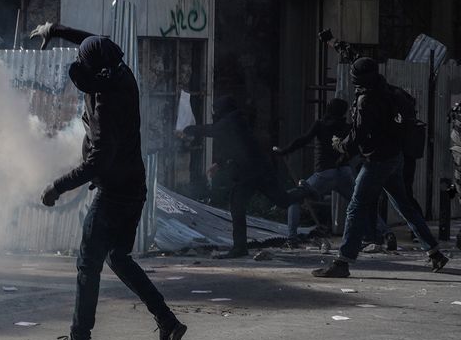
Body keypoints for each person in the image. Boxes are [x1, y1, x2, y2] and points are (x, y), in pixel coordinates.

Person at [30, 22, 186, 340]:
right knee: (118, 257)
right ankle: (168, 321)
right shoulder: (119, 70)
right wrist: (54, 29)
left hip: (114, 192)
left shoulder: (105, 106)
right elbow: (94, 41)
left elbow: (98, 163)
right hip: (134, 186)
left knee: (88, 264)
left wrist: (56, 187)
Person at [312, 58, 449, 277]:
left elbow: (357, 137)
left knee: (356, 207)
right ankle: (435, 253)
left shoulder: (366, 100)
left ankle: (342, 262)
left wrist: (339, 144)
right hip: (395, 157)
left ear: (357, 79)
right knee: (405, 207)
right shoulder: (389, 90)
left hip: (377, 162)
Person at [183, 97, 301, 259]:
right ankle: (240, 247)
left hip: (255, 171)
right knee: (240, 205)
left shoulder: (231, 121)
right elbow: (234, 147)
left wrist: (189, 129)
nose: (214, 112)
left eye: (215, 108)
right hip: (252, 172)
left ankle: (307, 190)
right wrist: (219, 163)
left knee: (281, 200)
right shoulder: (234, 120)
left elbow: (213, 130)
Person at [273, 99, 365, 247]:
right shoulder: (348, 127)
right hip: (344, 172)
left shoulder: (320, 125)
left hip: (324, 174)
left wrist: (285, 151)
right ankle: (384, 233)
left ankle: (292, 238)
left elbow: (302, 140)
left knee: (294, 198)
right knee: (360, 202)